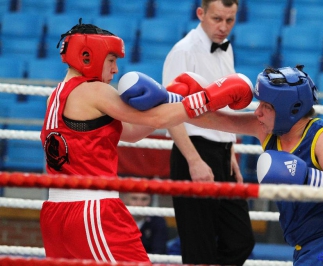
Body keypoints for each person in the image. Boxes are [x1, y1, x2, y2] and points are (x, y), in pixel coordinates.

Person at [39, 19, 253, 263]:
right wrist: (208, 98)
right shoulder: (93, 91)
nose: (116, 69)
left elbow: (131, 132)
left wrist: (172, 95)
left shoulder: (56, 96)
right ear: (88, 56)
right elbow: (160, 119)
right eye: (111, 60)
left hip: (55, 211)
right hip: (92, 210)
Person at [171, 65, 323, 265]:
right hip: (305, 246)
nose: (258, 112)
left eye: (266, 106)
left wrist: (304, 176)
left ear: (289, 109)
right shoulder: (268, 131)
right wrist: (178, 102)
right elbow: (217, 120)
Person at [162, 0, 255, 264]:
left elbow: (224, 108)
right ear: (200, 13)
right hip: (193, 151)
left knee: (240, 240)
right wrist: (193, 160)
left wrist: (231, 153)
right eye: (217, 19)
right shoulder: (183, 51)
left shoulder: (227, 49)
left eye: (230, 20)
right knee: (198, 248)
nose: (223, 27)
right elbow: (168, 112)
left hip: (222, 152)